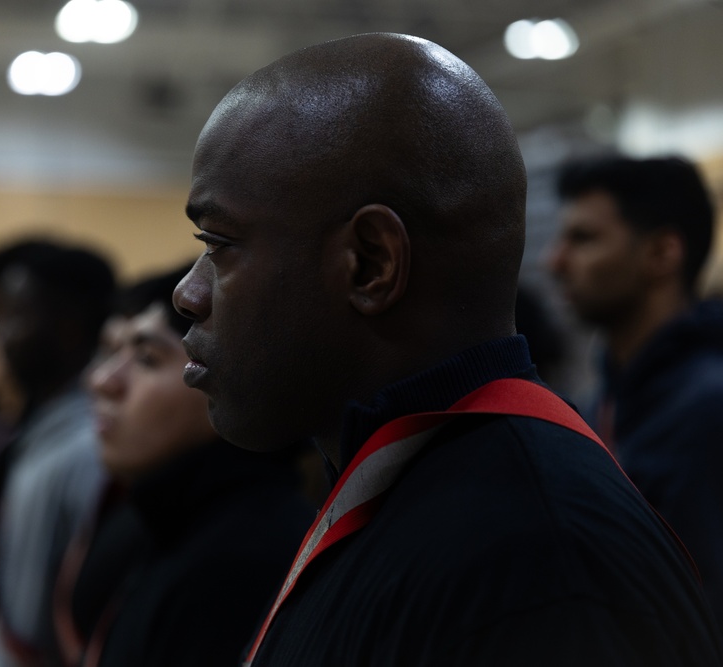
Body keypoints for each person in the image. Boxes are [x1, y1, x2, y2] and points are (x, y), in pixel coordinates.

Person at [172, 33, 723, 666]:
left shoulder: (538, 563)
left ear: (370, 264)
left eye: (219, 244)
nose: (188, 294)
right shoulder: (423, 490)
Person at [53, 266, 313, 667]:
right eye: (110, 352)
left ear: (223, 377)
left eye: (146, 359)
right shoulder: (170, 517)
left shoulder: (237, 564)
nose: (103, 380)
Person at [548, 154, 723, 635]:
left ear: (663, 253)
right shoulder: (596, 404)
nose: (555, 261)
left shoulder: (708, 409)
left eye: (583, 239)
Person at [0, 239, 115, 667]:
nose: (2, 338)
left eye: (15, 317)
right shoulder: (42, 427)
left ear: (67, 326)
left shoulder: (89, 448)